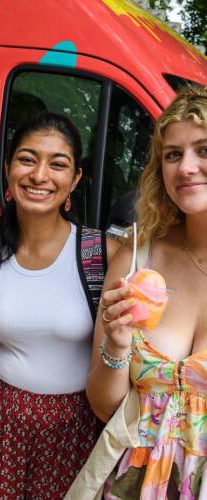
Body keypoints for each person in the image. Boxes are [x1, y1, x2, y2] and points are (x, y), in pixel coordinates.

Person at [0, 111, 120, 498]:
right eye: (27, 159)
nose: (40, 175)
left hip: (75, 431)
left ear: (75, 179)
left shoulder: (101, 254)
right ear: (9, 168)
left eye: (57, 164)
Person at [85, 86, 207, 498]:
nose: (186, 167)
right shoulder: (137, 260)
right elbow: (104, 407)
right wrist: (117, 345)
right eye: (173, 154)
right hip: (128, 483)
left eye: (203, 149)